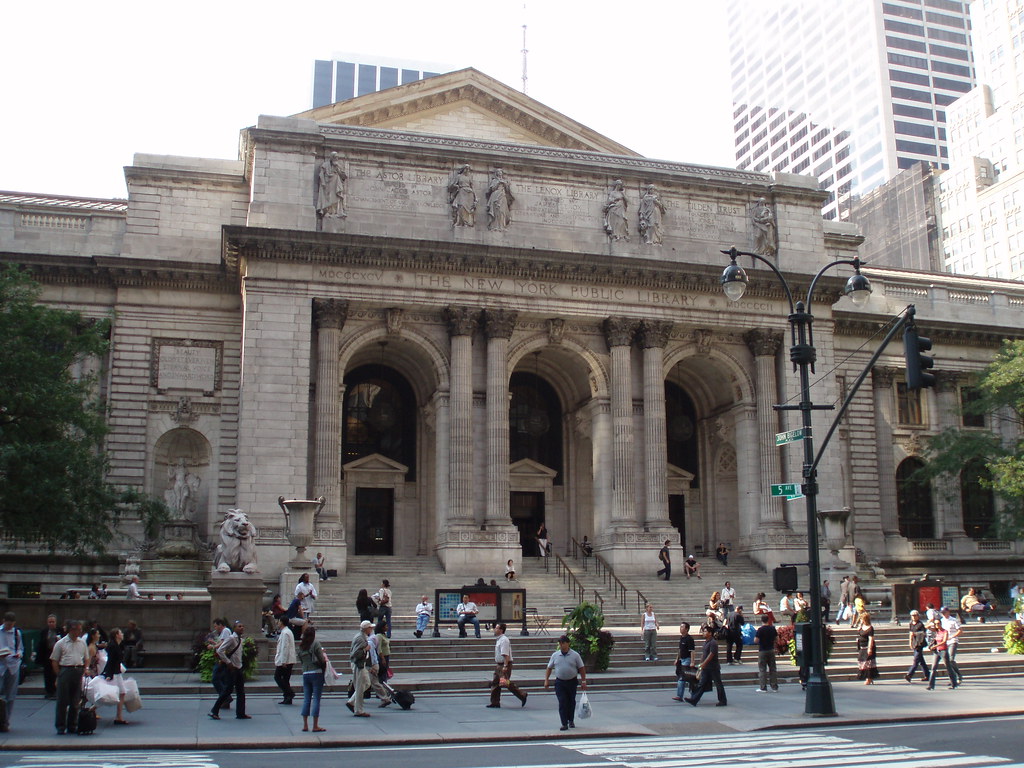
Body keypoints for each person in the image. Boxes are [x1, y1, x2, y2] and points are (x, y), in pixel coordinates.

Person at [49, 618, 88, 735]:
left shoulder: (82, 642)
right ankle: (61, 726)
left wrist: (85, 668)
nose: (80, 632)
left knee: (75, 701)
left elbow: (86, 658)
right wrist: (59, 674)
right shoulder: (61, 643)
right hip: (66, 669)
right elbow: (54, 660)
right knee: (62, 701)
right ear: (71, 630)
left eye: (81, 630)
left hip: (78, 669)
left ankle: (72, 725)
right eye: (78, 630)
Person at [544, 634, 586, 730]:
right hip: (560, 682)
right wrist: (546, 680)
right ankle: (564, 723)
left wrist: (583, 681)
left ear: (568, 643)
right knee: (562, 702)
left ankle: (570, 720)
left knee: (571, 701)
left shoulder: (575, 655)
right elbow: (549, 668)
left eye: (564, 643)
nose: (562, 645)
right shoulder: (555, 655)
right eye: (560, 643)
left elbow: (581, 668)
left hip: (572, 681)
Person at [209, 620, 249, 720]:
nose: (242, 628)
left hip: (238, 667)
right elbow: (220, 650)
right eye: (239, 626)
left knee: (241, 691)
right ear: (234, 628)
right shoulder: (231, 638)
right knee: (227, 690)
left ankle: (241, 713)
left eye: (243, 626)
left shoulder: (240, 639)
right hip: (231, 669)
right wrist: (228, 662)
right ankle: (215, 710)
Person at [684, 625, 727, 707]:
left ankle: (722, 700)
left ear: (710, 633)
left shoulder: (713, 642)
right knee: (701, 684)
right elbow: (704, 654)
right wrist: (701, 664)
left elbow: (711, 654)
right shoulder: (706, 642)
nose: (703, 633)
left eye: (705, 631)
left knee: (718, 684)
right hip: (706, 668)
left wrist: (704, 663)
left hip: (713, 667)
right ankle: (694, 699)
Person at [487, 623, 527, 708]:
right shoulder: (499, 639)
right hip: (499, 665)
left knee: (505, 682)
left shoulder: (504, 640)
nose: (495, 629)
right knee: (495, 683)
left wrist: (505, 665)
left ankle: (522, 694)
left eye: (496, 628)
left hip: (504, 664)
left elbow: (505, 654)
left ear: (501, 630)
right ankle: (495, 702)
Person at [296, 625, 326, 731]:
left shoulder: (301, 645)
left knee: (306, 699)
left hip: (305, 672)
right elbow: (321, 659)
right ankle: (315, 725)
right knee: (316, 699)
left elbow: (300, 659)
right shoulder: (315, 644)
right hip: (316, 672)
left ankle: (305, 725)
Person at [0, 612, 23, 732]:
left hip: (13, 666)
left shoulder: (16, 633)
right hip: (1, 665)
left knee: (11, 696)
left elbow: (20, 647)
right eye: (8, 625)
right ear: (4, 621)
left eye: (11, 625)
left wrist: (19, 654)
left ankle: (6, 721)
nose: (9, 627)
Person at [101, 627, 128, 725]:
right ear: (116, 635)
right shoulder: (113, 646)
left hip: (117, 672)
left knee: (122, 692)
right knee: (107, 694)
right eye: (120, 633)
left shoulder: (117, 645)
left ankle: (119, 716)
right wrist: (109, 674)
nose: (122, 634)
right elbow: (110, 661)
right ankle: (91, 709)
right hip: (114, 673)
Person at [346, 621, 373, 717]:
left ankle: (352, 702)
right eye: (370, 627)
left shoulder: (361, 636)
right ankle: (358, 710)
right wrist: (365, 649)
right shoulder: (360, 639)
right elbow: (355, 654)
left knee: (366, 683)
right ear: (366, 629)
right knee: (361, 686)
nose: (372, 629)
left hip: (361, 664)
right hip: (359, 664)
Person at [927, 618, 959, 691]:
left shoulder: (945, 631)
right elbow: (927, 627)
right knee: (933, 668)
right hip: (937, 651)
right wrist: (931, 623)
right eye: (936, 624)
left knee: (948, 667)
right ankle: (931, 685)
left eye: (938, 623)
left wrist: (935, 646)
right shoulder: (936, 631)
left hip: (943, 650)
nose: (937, 625)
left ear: (941, 624)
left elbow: (944, 641)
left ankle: (954, 683)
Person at [36, 614, 61, 700]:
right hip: (47, 654)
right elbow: (40, 644)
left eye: (53, 622)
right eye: (50, 622)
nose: (51, 623)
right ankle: (49, 691)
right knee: (47, 674)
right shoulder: (44, 631)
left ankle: (55, 690)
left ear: (56, 622)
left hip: (57, 655)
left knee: (55, 673)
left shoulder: (59, 630)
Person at [316, 151, 347, 219]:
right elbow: (321, 174)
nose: (336, 158)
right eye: (335, 157)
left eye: (337, 157)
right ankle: (327, 212)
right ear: (332, 157)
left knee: (336, 198)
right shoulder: (325, 164)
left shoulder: (338, 166)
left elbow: (343, 176)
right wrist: (323, 182)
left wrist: (337, 169)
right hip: (328, 183)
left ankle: (335, 212)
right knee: (328, 198)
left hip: (336, 183)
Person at [754, 614, 779, 693]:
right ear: (768, 620)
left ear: (761, 620)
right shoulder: (772, 628)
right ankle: (774, 686)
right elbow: (777, 639)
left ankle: (763, 687)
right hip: (771, 649)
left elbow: (756, 640)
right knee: (773, 668)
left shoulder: (760, 629)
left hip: (762, 650)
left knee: (762, 669)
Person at [939, 606, 964, 684]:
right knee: (946, 661)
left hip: (953, 641)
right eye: (942, 613)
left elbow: (960, 631)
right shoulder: (941, 621)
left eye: (944, 613)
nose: (943, 614)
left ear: (948, 612)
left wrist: (952, 637)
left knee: (951, 659)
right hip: (944, 642)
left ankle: (958, 675)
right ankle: (953, 678)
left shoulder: (954, 620)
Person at [904, 610, 931, 683]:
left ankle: (909, 674)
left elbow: (923, 633)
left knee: (916, 660)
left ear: (918, 616)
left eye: (915, 615)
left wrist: (915, 634)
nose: (914, 617)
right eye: (912, 615)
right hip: (914, 643)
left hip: (920, 643)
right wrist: (910, 642)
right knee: (921, 661)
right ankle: (927, 674)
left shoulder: (920, 624)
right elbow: (910, 633)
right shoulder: (911, 623)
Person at [274, 616, 296, 706]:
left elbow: (285, 647)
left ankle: (289, 693)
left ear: (282, 622)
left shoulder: (285, 633)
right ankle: (287, 697)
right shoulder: (287, 632)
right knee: (286, 679)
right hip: (288, 660)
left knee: (277, 677)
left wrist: (283, 661)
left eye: (279, 621)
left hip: (285, 660)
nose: (278, 623)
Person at [672, 622, 696, 701]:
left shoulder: (689, 639)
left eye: (682, 627)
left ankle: (689, 695)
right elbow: (679, 650)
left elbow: (692, 651)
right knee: (684, 678)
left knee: (685, 678)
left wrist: (692, 661)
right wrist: (677, 658)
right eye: (680, 627)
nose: (680, 628)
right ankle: (680, 695)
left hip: (687, 660)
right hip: (682, 660)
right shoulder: (681, 638)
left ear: (686, 629)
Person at [857, 613, 879, 685]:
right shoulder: (861, 626)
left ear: (865, 619)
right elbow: (859, 633)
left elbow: (871, 639)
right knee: (861, 661)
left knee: (868, 663)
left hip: (867, 647)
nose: (861, 620)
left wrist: (869, 648)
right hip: (862, 647)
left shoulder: (870, 628)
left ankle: (868, 678)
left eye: (861, 619)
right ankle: (868, 677)